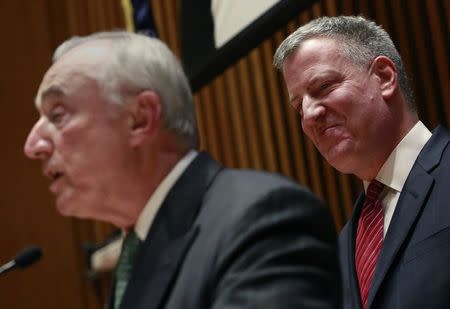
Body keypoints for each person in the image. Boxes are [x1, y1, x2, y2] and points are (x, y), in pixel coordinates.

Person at [24, 31, 340, 309]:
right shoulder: (135, 256)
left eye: (58, 114)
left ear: (139, 119)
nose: (32, 145)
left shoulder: (262, 220)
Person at [274, 15, 450, 309]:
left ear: (384, 77)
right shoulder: (343, 248)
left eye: (323, 87)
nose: (308, 115)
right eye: (298, 106)